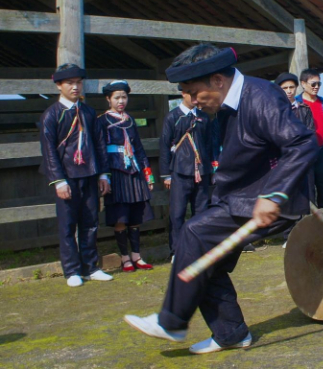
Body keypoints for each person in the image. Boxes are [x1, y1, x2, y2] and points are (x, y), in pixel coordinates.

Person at [124, 44, 317, 355]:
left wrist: (275, 193)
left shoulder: (260, 96)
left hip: (267, 201)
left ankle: (172, 322)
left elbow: (302, 142)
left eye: (194, 91)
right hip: (238, 198)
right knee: (205, 259)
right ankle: (231, 333)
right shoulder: (224, 105)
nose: (192, 100)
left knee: (194, 234)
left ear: (217, 80)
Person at [39, 64, 113, 288]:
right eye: (70, 83)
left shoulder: (89, 112)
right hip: (67, 177)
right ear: (59, 85)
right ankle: (71, 270)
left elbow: (100, 145)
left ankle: (90, 267)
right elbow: (49, 151)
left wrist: (104, 174)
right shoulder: (51, 115)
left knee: (90, 222)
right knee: (68, 225)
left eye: (78, 82)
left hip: (90, 174)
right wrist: (58, 180)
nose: (75, 86)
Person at [98, 81, 155, 273]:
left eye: (124, 97)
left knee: (135, 214)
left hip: (135, 170)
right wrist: (104, 175)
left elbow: (138, 148)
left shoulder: (130, 120)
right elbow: (101, 151)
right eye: (117, 97)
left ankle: (137, 256)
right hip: (116, 171)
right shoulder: (102, 121)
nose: (121, 101)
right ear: (108, 99)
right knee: (120, 215)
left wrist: (148, 174)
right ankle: (125, 258)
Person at [160, 87, 218, 260]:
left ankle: (200, 248)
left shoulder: (204, 117)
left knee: (201, 212)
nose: (194, 97)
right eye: (190, 94)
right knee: (177, 213)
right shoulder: (172, 117)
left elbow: (210, 144)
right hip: (179, 170)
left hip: (202, 170)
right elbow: (164, 146)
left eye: (196, 93)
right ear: (182, 94)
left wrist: (212, 167)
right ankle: (177, 251)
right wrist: (166, 174)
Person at [274, 72, 315, 247]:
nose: (289, 91)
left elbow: (310, 133)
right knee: (287, 196)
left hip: (303, 160)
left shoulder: (304, 110)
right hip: (283, 161)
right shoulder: (274, 110)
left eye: (292, 87)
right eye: (285, 88)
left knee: (306, 195)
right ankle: (288, 235)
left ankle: (306, 231)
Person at [296, 69, 323, 208]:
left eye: (319, 84)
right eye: (313, 84)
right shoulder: (297, 103)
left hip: (322, 150)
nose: (316, 87)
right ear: (303, 84)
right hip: (305, 152)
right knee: (308, 189)